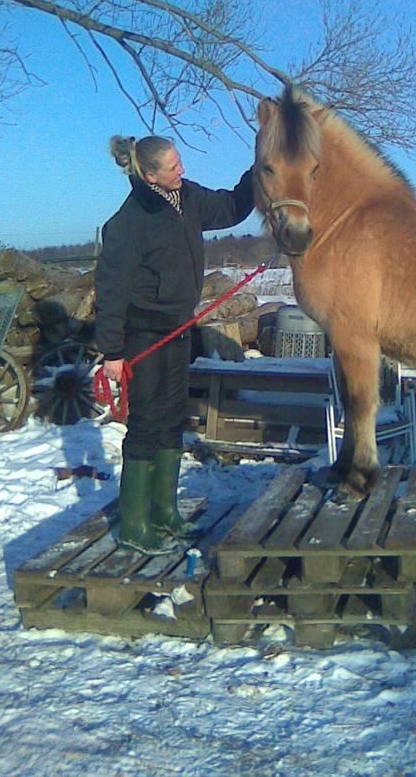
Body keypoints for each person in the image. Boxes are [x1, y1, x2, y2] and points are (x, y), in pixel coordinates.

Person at [95, 135, 255, 554]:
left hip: (179, 329)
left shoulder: (187, 198)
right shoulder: (129, 222)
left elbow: (231, 207)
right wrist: (112, 353)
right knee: (146, 422)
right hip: (144, 335)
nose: (181, 170)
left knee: (171, 418)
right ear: (150, 176)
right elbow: (111, 290)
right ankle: (134, 524)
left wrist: (259, 171)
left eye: (179, 162)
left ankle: (164, 511)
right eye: (172, 167)